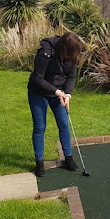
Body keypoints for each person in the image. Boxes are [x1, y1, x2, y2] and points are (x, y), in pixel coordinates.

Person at [27, 32, 83, 177]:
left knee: (64, 124)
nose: (72, 57)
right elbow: (37, 78)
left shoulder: (72, 55)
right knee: (40, 127)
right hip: (38, 93)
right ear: (64, 48)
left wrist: (68, 94)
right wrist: (56, 91)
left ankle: (68, 159)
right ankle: (39, 163)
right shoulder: (45, 52)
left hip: (59, 93)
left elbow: (71, 77)